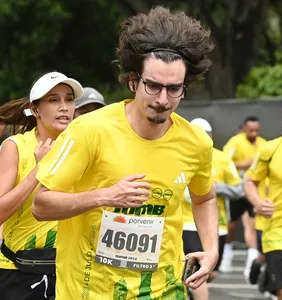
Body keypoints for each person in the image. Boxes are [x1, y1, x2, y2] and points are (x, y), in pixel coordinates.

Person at [32, 6, 219, 299]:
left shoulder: (196, 142)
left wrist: (211, 249)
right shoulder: (89, 131)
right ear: (134, 80)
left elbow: (204, 197)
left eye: (174, 89)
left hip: (163, 290)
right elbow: (41, 205)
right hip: (90, 290)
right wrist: (105, 196)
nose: (162, 100)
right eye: (153, 86)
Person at [0, 71, 83, 300]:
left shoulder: (83, 148)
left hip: (70, 272)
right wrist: (39, 171)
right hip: (18, 271)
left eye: (69, 99)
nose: (64, 107)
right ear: (35, 109)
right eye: (54, 100)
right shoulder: (16, 146)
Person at [244, 95, 282, 300]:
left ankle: (266, 272)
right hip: (279, 235)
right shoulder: (271, 149)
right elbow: (250, 181)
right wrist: (258, 203)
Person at [182, 118, 243, 300]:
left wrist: (215, 188)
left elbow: (239, 189)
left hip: (218, 226)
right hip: (186, 224)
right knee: (196, 271)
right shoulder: (178, 155)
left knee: (210, 273)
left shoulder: (222, 158)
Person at [220, 116, 266, 280]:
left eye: (256, 130)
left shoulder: (263, 144)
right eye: (250, 130)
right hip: (236, 190)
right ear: (245, 129)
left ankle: (251, 262)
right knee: (231, 225)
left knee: (250, 225)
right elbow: (224, 161)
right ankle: (227, 252)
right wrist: (243, 164)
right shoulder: (236, 141)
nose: (253, 133)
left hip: (253, 191)